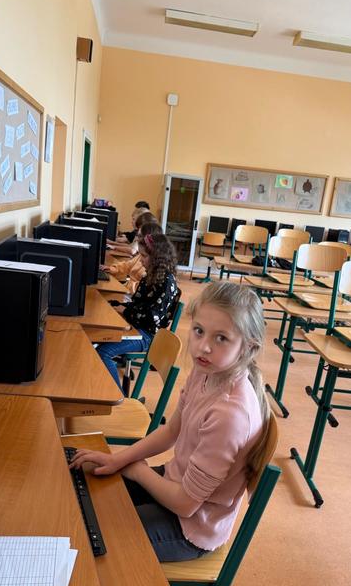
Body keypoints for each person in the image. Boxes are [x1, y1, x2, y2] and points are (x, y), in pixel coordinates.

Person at [71, 282, 270, 562]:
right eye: (199, 331)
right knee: (89, 494)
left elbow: (185, 505)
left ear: (248, 347)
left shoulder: (229, 415)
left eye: (221, 338)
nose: (203, 347)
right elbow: (171, 430)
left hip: (191, 527)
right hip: (175, 483)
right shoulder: (206, 371)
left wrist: (137, 471)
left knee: (91, 535)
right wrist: (118, 460)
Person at [95, 232, 178, 392]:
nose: (140, 260)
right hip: (137, 325)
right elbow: (138, 304)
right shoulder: (151, 276)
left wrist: (125, 311)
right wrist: (121, 306)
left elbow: (150, 317)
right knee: (99, 334)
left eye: (144, 256)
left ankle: (118, 396)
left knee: (103, 352)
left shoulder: (165, 282)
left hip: (147, 335)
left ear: (158, 258)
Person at [102, 221, 163, 295]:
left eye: (139, 236)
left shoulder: (152, 264)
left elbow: (140, 289)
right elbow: (127, 265)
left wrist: (124, 286)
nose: (136, 239)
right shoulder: (141, 255)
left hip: (133, 295)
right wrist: (112, 268)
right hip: (128, 290)